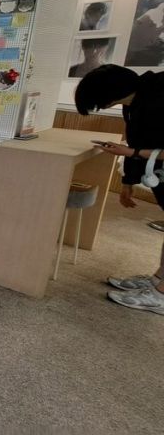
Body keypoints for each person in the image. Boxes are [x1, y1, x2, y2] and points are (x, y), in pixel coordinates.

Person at [75, 64, 164, 314]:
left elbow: (136, 148)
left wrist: (132, 152)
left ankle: (160, 296)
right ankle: (158, 280)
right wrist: (127, 182)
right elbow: (137, 142)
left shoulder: (159, 98)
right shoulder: (133, 102)